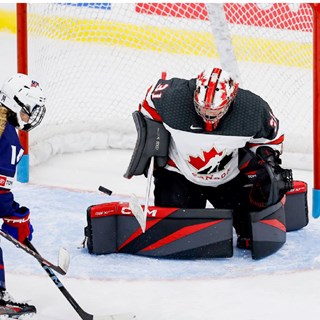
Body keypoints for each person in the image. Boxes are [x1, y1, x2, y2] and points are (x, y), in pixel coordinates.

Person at [125, 67, 293, 257]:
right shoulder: (174, 98)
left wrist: (267, 162)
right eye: (203, 108)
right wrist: (153, 137)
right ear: (194, 94)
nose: (208, 115)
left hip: (229, 178)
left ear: (231, 99)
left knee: (251, 235)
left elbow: (271, 139)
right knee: (175, 236)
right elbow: (148, 105)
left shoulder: (253, 109)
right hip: (180, 175)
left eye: (214, 110)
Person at [0, 73, 46, 318]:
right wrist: (14, 216)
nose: (32, 116)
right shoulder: (8, 139)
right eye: (30, 110)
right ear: (16, 104)